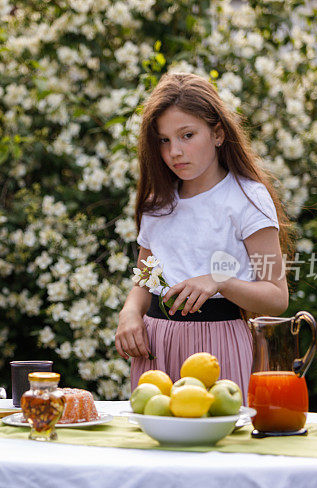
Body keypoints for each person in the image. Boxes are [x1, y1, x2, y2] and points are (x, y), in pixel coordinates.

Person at [114, 72, 292, 399]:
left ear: (218, 133)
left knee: (219, 443)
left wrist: (219, 281)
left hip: (219, 346)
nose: (175, 151)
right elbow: (145, 280)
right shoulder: (157, 203)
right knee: (156, 443)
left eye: (187, 135)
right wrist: (129, 313)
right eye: (164, 140)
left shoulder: (248, 198)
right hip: (156, 347)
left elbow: (277, 297)